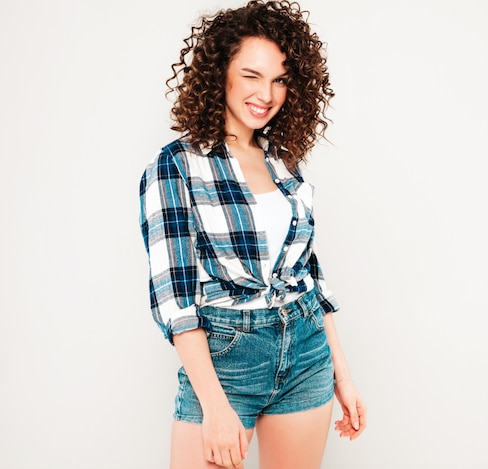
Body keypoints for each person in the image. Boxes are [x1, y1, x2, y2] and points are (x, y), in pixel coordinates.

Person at [139, 1, 366, 467]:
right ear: (219, 73)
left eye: (280, 79)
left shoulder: (283, 158)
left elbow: (308, 273)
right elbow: (175, 301)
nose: (267, 93)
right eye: (252, 75)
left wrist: (342, 373)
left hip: (305, 351)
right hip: (226, 361)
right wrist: (215, 408)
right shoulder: (176, 166)